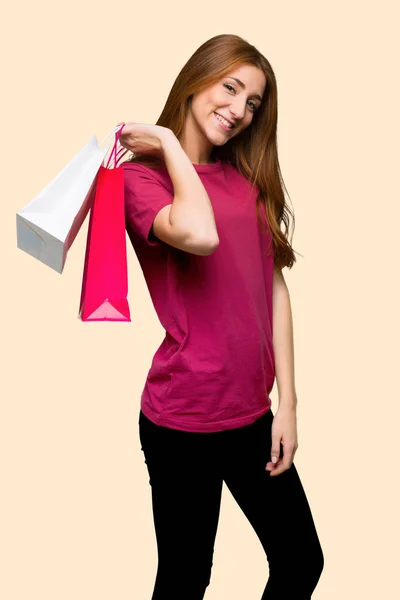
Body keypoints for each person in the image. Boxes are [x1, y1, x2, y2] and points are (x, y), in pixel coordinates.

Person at [118, 33, 324, 600]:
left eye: (253, 102)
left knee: (301, 561)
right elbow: (198, 235)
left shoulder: (246, 180)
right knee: (187, 579)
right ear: (195, 81)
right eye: (230, 88)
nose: (239, 110)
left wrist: (289, 403)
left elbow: (273, 287)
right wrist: (164, 140)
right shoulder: (142, 180)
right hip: (181, 418)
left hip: (251, 416)